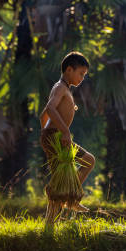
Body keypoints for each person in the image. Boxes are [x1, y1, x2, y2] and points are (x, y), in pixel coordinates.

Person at [39, 51, 95, 222]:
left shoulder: (64, 89)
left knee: (62, 180)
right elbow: (49, 108)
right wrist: (62, 132)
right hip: (56, 137)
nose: (82, 78)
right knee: (88, 161)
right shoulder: (60, 88)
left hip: (53, 137)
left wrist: (46, 134)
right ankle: (69, 197)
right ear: (69, 70)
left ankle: (69, 196)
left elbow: (43, 116)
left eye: (84, 75)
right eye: (81, 74)